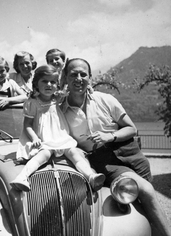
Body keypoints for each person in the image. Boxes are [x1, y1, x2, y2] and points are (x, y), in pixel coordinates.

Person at [60, 58, 171, 236]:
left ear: (90, 77)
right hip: (105, 162)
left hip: (131, 154)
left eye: (83, 74)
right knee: (145, 191)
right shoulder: (61, 110)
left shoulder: (105, 99)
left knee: (144, 204)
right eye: (73, 74)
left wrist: (109, 136)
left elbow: (131, 128)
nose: (78, 78)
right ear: (65, 77)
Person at [11, 64, 105, 192]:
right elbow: (27, 125)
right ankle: (22, 177)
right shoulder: (32, 102)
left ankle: (91, 176)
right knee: (43, 155)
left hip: (60, 137)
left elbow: (75, 89)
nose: (49, 85)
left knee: (73, 153)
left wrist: (88, 87)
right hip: (43, 138)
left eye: (53, 82)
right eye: (44, 81)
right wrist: (34, 138)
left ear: (57, 84)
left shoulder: (58, 98)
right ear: (36, 83)